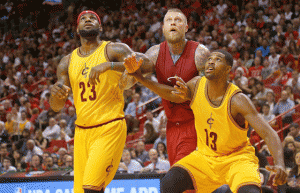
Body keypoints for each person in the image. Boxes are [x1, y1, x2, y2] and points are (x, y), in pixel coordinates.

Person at [123, 50, 287, 193]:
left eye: (218, 59)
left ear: (228, 69)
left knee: (250, 191)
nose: (211, 61)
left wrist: (279, 164)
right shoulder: (196, 85)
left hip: (237, 158)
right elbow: (171, 94)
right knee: (169, 182)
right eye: (210, 58)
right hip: (205, 157)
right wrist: (139, 76)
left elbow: (268, 133)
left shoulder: (238, 100)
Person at [88, 8, 210, 166]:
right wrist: (128, 71)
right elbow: (125, 84)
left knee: (184, 178)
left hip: (197, 124)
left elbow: (179, 95)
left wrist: (116, 68)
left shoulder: (200, 54)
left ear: (186, 27)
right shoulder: (155, 53)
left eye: (178, 20)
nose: (173, 22)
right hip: (172, 128)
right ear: (163, 27)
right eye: (169, 20)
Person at [49, 10, 152, 193]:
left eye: (92, 18)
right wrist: (55, 96)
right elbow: (55, 107)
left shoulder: (113, 49)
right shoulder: (67, 62)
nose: (88, 20)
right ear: (77, 30)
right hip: (81, 133)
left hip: (109, 126)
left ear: (101, 27)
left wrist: (110, 65)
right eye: (83, 19)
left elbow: (146, 64)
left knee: (91, 188)